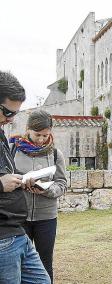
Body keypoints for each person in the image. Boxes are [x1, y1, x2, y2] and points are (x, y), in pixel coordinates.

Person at [0, 71, 51, 283]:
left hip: (17, 231)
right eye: (7, 112)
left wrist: (21, 179)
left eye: (14, 114)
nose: (10, 119)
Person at [10, 110, 67, 283]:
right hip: (19, 216)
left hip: (47, 218)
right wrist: (20, 182)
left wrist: (46, 190)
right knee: (18, 263)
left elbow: (62, 184)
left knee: (44, 263)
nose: (42, 139)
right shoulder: (13, 150)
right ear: (28, 129)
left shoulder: (56, 154)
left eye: (45, 135)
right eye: (38, 135)